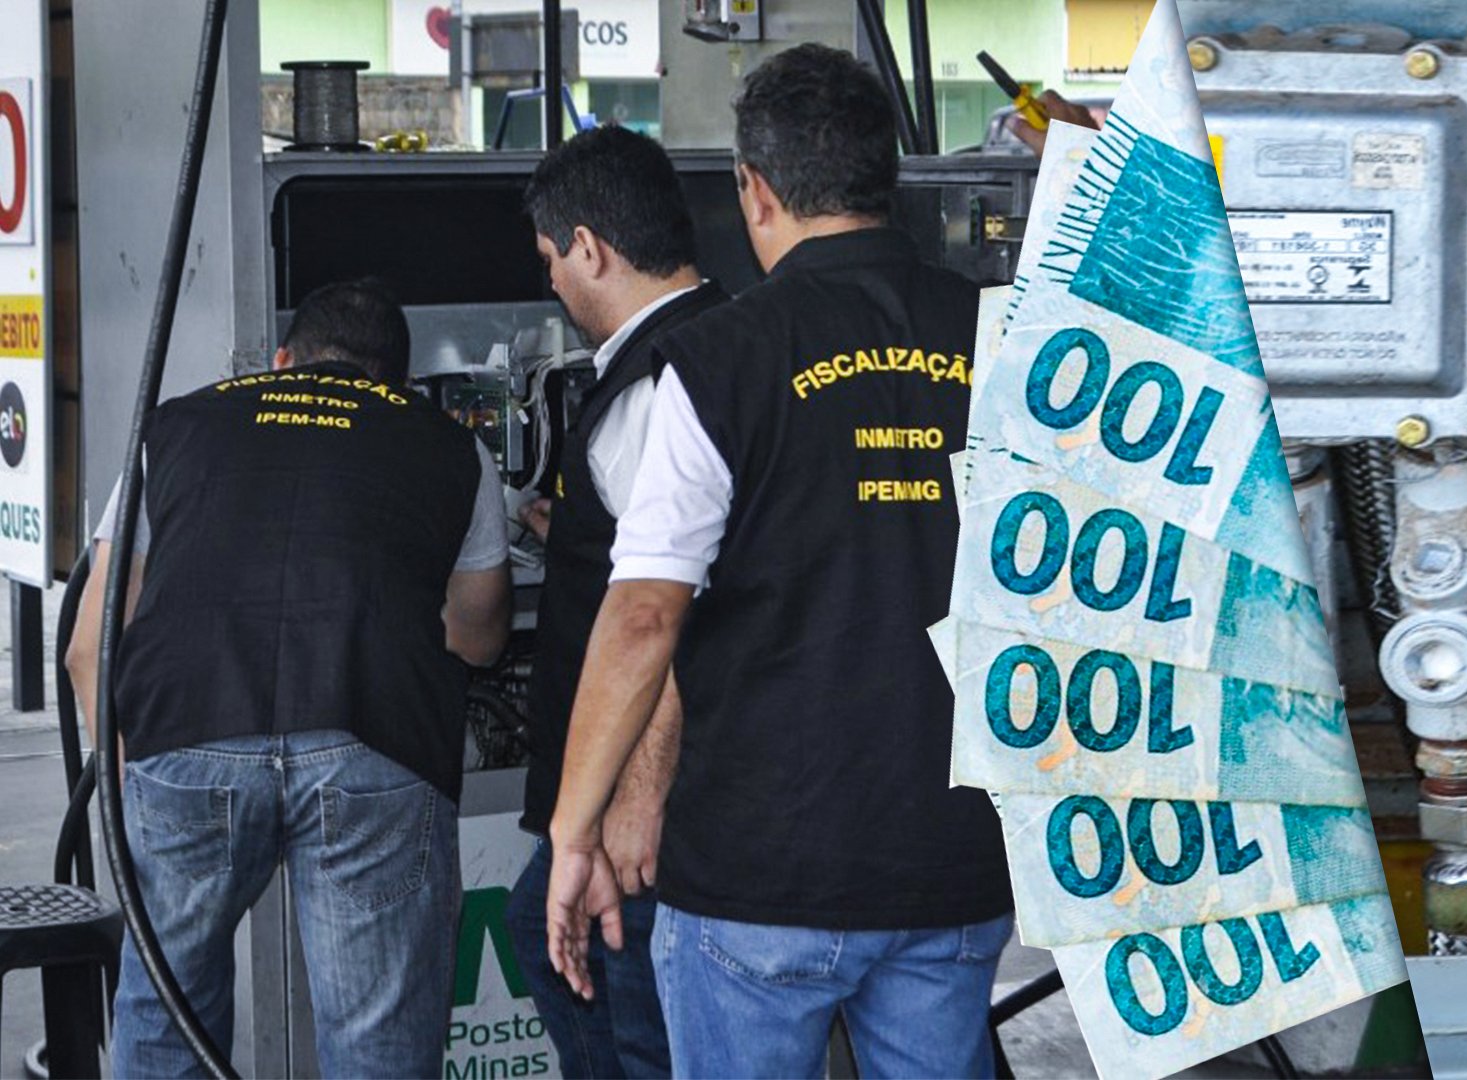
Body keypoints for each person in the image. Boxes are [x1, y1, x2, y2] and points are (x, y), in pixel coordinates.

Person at [545, 44, 1015, 1078]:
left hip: (762, 874)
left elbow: (642, 618)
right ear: (884, 178)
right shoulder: (1008, 341)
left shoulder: (716, 363)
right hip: (960, 860)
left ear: (752, 191)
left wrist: (576, 836)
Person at [67, 280, 512, 1078]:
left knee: (165, 1017)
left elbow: (90, 645)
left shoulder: (170, 429)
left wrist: (138, 783)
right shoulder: (449, 446)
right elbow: (477, 638)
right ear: (396, 386)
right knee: (377, 1044)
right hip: (372, 734)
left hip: (187, 729)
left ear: (280, 362)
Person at [506, 125, 727, 1079]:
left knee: (622, 999)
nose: (553, 281)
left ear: (590, 248)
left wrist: (612, 809)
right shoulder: (732, 336)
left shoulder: (648, 388)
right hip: (725, 771)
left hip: (655, 791)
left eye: (554, 259)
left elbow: (661, 614)